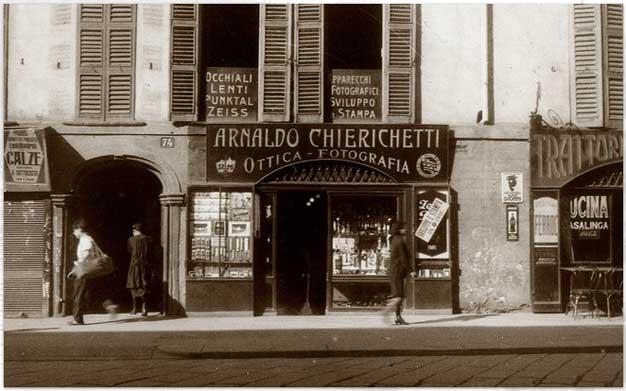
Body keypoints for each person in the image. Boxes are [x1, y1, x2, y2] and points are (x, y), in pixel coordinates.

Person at [68, 219, 118, 325]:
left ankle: (77, 319)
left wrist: (78, 265)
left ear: (80, 229)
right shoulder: (89, 239)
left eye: (74, 230)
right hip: (89, 270)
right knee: (92, 293)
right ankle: (109, 305)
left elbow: (86, 253)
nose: (74, 232)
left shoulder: (85, 239)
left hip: (84, 270)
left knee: (78, 294)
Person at [384, 222, 416, 326]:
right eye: (403, 228)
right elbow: (404, 258)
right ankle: (386, 312)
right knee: (399, 296)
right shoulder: (400, 241)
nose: (405, 230)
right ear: (399, 230)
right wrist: (411, 270)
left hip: (395, 271)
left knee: (399, 295)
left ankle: (398, 317)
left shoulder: (393, 240)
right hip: (397, 271)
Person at [127, 222, 151, 316]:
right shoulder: (147, 239)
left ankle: (134, 308)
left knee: (134, 285)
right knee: (144, 284)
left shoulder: (131, 240)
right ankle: (144, 308)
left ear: (134, 230)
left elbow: (129, 251)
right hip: (145, 265)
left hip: (134, 265)